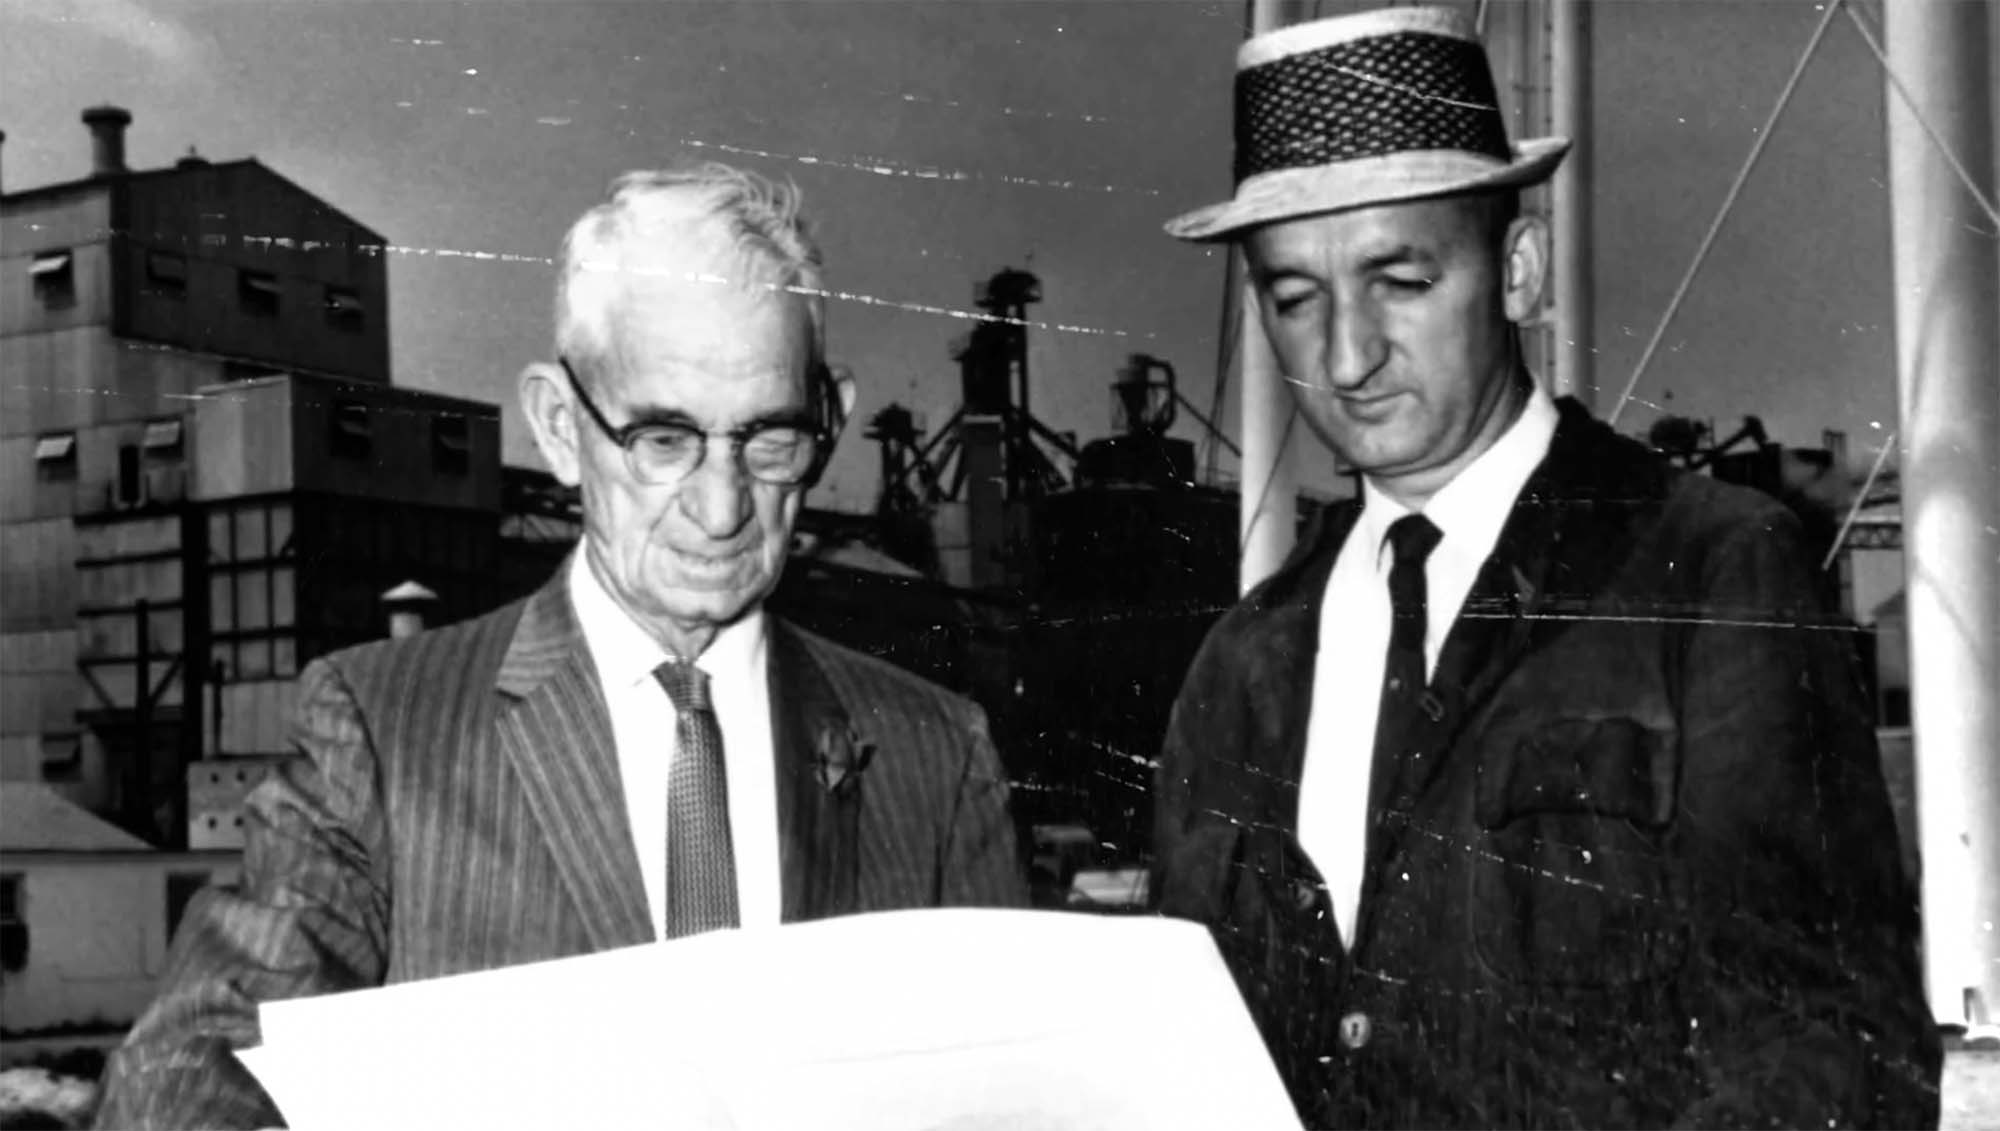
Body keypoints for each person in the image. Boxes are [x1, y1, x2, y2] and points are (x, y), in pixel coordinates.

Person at [95, 163, 1027, 1129]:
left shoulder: (937, 753)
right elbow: (191, 1072)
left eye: (769, 442)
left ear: (828, 416)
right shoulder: (383, 729)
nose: (721, 508)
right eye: (663, 441)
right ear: (558, 425)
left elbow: (1030, 1091)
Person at [1148, 8, 1938, 1128]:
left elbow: (1827, 1046)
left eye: (1400, 282)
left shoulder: (1711, 574)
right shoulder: (1240, 665)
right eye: (1293, 297)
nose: (1343, 355)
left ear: (1516, 270)